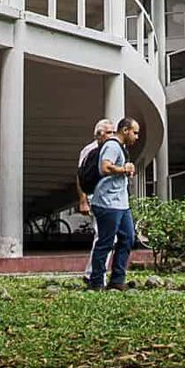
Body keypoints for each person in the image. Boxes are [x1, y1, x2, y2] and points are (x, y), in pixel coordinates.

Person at [87, 117, 140, 290]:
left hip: (121, 203)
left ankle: (117, 280)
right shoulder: (111, 146)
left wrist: (126, 170)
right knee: (105, 242)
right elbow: (105, 167)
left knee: (128, 238)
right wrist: (124, 169)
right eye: (135, 132)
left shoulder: (121, 148)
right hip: (107, 202)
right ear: (125, 130)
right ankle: (96, 282)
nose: (137, 137)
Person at [77, 118, 115, 281]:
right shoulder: (89, 150)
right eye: (109, 132)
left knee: (108, 236)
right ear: (99, 134)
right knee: (104, 234)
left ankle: (93, 272)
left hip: (110, 198)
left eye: (113, 132)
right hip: (95, 196)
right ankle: (95, 274)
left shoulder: (113, 148)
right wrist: (83, 200)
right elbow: (80, 176)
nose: (112, 135)